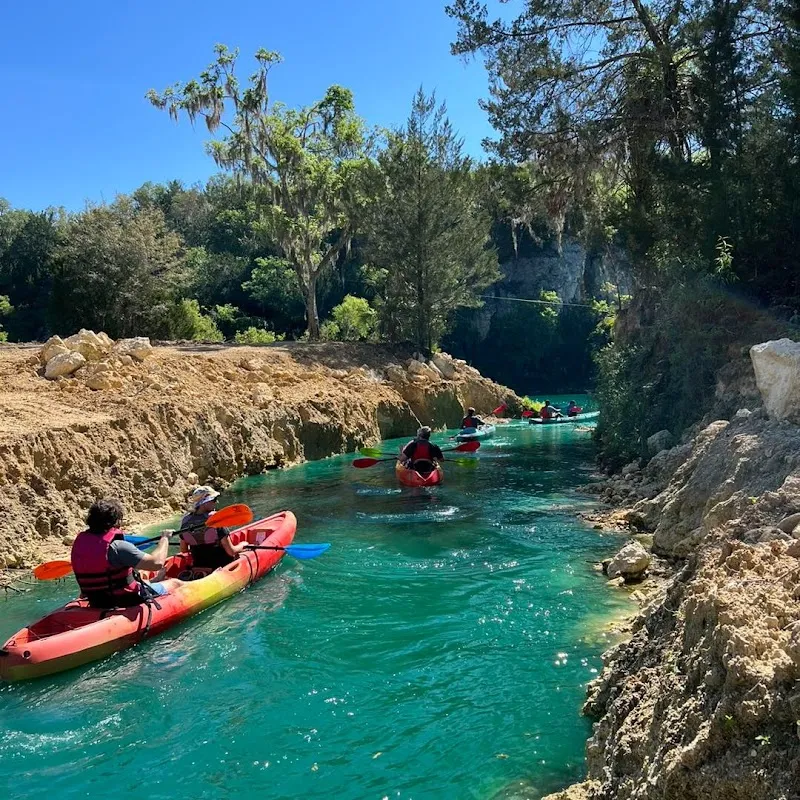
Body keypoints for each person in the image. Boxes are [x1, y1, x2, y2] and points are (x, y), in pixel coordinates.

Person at [71, 498, 175, 608]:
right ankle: (156, 583)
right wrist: (165, 538)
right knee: (175, 583)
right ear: (115, 521)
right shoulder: (119, 547)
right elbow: (157, 564)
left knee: (138, 572)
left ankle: (153, 581)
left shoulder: (79, 543)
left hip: (96, 601)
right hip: (125, 599)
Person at [179, 486, 249, 570]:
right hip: (221, 566)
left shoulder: (185, 521)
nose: (217, 502)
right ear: (205, 502)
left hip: (198, 565)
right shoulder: (216, 519)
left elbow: (184, 550)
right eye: (214, 499)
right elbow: (231, 551)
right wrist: (243, 545)